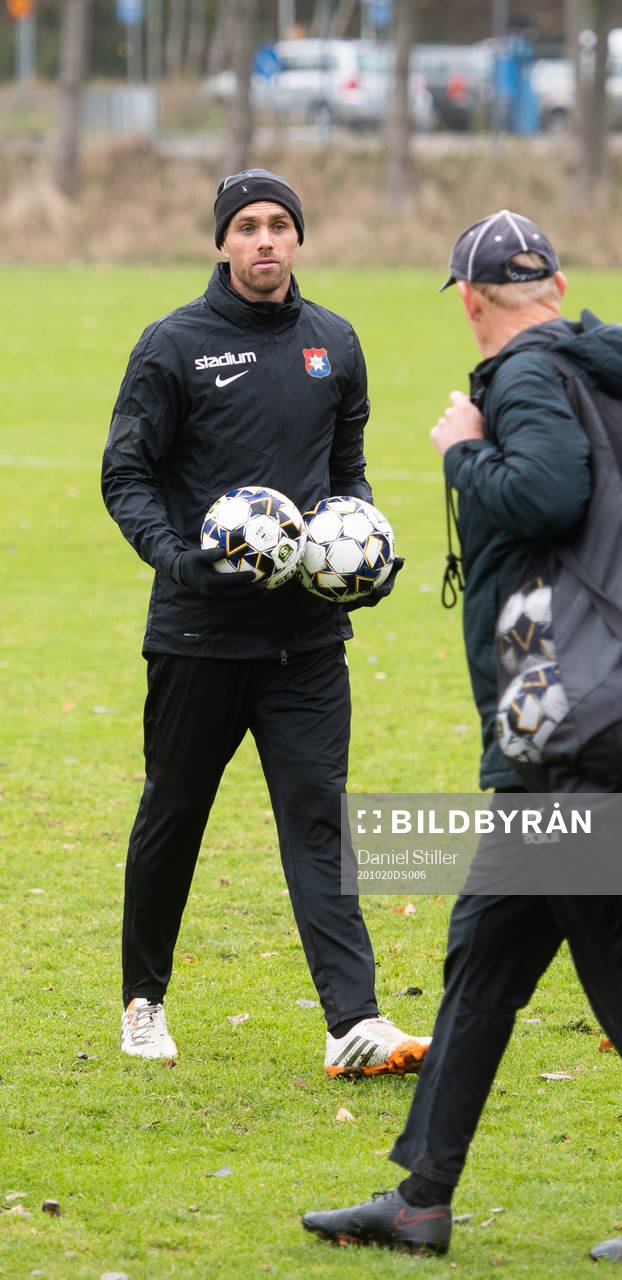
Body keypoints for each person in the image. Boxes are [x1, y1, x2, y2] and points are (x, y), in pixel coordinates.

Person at [301, 211, 622, 1267]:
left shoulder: (522, 379)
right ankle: (419, 1198)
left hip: (571, 736)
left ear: (469, 298)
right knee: (485, 958)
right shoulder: (611, 378)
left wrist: (464, 451)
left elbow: (544, 492)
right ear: (554, 284)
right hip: (588, 719)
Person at [101, 169, 429, 1079]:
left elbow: (348, 469)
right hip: (200, 638)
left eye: (279, 225)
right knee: (174, 816)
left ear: (298, 239)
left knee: (319, 822)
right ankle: (143, 1002)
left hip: (307, 644)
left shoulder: (334, 342)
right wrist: (175, 557)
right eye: (245, 227)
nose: (264, 241)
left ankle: (352, 1022)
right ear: (221, 243)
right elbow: (123, 475)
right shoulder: (172, 346)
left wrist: (357, 551)